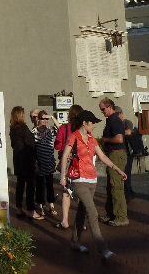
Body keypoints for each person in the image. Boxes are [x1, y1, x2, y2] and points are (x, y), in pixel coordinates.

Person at [59, 110, 126, 261]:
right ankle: (103, 248)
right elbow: (64, 157)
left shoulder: (92, 139)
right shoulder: (73, 137)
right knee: (92, 212)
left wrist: (117, 169)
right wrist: (63, 177)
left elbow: (102, 156)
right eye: (92, 122)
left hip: (92, 179)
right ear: (85, 123)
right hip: (79, 179)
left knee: (82, 211)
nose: (94, 125)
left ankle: (75, 242)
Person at [99, 98, 128, 226]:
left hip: (116, 154)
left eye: (103, 109)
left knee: (116, 187)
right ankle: (111, 213)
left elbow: (119, 139)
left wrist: (105, 140)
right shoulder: (111, 120)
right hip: (113, 155)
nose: (101, 111)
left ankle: (121, 217)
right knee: (111, 186)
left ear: (110, 107)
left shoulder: (114, 120)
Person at [54, 104, 83, 230]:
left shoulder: (64, 128)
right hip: (81, 163)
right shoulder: (83, 129)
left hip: (67, 163)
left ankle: (65, 220)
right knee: (82, 193)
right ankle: (81, 222)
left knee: (66, 192)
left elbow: (58, 146)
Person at [10, 106, 39, 220]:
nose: (24, 116)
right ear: (20, 115)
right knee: (30, 187)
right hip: (27, 160)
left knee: (20, 185)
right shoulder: (23, 127)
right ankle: (31, 211)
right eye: (23, 113)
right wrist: (35, 162)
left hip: (18, 160)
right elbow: (30, 145)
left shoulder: (12, 128)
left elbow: (14, 145)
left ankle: (19, 208)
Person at [32, 109, 59, 218]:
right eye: (42, 119)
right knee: (40, 186)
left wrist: (52, 117)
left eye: (46, 119)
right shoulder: (34, 131)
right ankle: (41, 205)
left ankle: (51, 205)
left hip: (49, 162)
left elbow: (60, 128)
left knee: (50, 185)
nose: (44, 121)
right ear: (38, 120)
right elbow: (32, 148)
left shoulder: (50, 130)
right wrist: (35, 163)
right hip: (40, 162)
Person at [117, 107, 136, 201]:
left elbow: (128, 132)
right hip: (120, 152)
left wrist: (117, 133)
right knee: (123, 173)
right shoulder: (116, 123)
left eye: (117, 114)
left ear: (121, 113)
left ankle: (127, 195)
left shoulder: (127, 122)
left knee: (126, 173)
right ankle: (130, 192)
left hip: (128, 152)